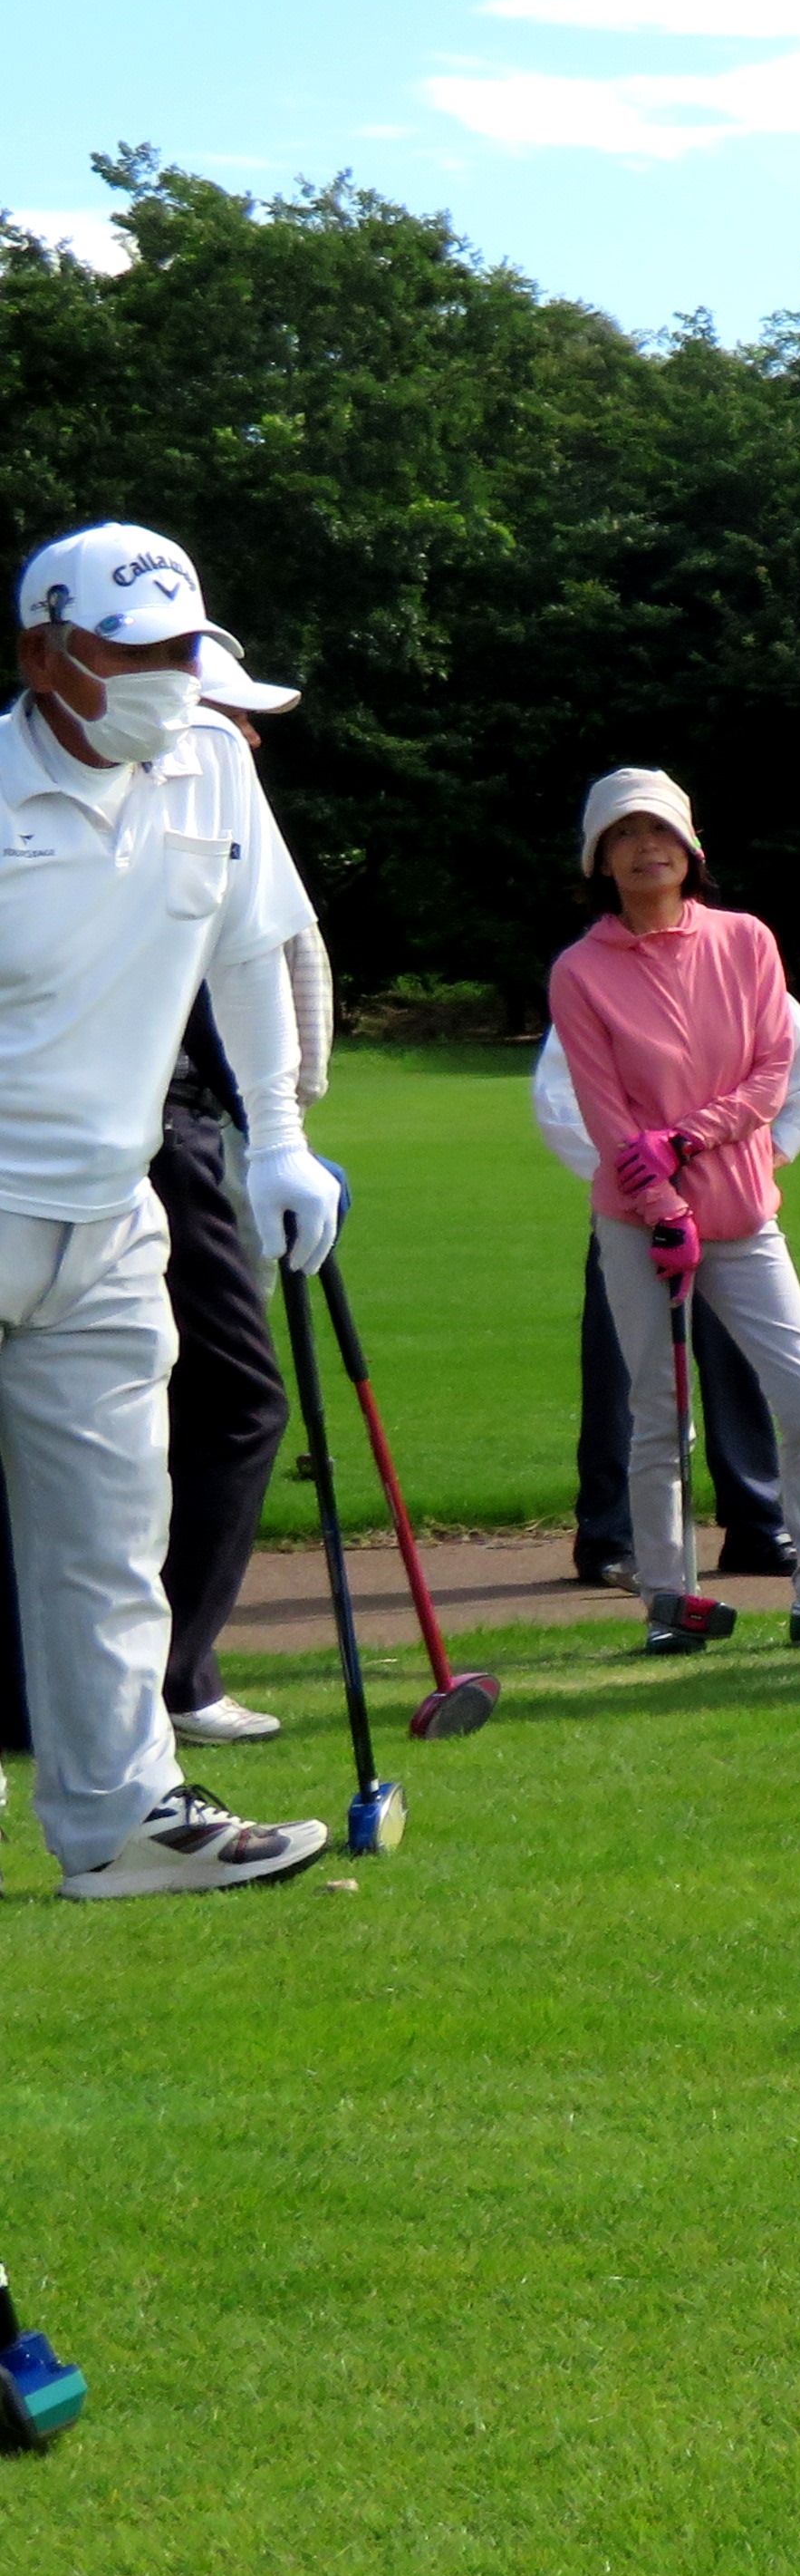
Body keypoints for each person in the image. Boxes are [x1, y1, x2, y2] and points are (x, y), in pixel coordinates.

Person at [0, 524, 337, 1897]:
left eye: (181, 651)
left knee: (111, 1542)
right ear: (45, 654)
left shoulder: (208, 765)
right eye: (131, 656)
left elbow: (253, 947)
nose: (165, 679)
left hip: (110, 1211)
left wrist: (281, 1143)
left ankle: (121, 1822)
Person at [550, 769, 800, 1661]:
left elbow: (768, 1074)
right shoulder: (581, 971)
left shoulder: (745, 941)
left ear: (689, 847)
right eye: (624, 835)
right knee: (659, 1410)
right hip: (639, 1225)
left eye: (659, 830)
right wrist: (660, 1200)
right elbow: (603, 1110)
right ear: (601, 856)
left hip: (742, 1215)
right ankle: (671, 1597)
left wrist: (684, 1143)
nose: (645, 848)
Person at [543, 998, 800, 1588]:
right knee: (630, 1378)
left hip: (731, 1207)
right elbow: (563, 1096)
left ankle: (756, 1523)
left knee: (742, 1365)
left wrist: (773, 1154)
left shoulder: (739, 971)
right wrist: (628, 1181)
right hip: (635, 1212)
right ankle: (613, 1535)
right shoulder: (600, 982)